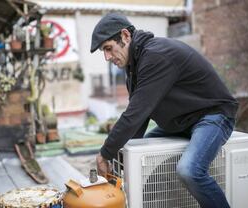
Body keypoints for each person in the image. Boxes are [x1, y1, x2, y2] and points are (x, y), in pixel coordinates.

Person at [90, 13, 238, 208]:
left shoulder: (156, 56)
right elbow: (139, 120)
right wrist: (119, 160)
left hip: (212, 116)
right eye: (104, 51)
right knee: (139, 153)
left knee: (189, 170)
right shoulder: (134, 68)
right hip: (183, 122)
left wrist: (105, 154)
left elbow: (135, 113)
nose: (107, 57)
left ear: (125, 36)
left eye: (108, 48)